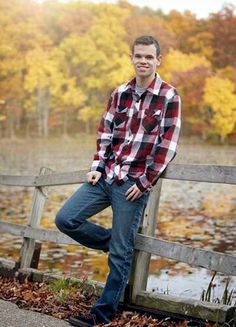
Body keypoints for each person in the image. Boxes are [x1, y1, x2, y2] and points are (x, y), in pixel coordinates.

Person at [55, 35, 181, 327]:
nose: (143, 61)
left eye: (149, 57)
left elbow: (168, 145)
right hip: (106, 176)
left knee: (120, 254)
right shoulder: (120, 92)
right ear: (132, 58)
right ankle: (116, 244)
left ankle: (101, 315)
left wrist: (146, 181)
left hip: (132, 185)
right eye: (139, 55)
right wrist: (97, 165)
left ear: (158, 60)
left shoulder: (169, 96)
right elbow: (106, 133)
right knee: (66, 218)